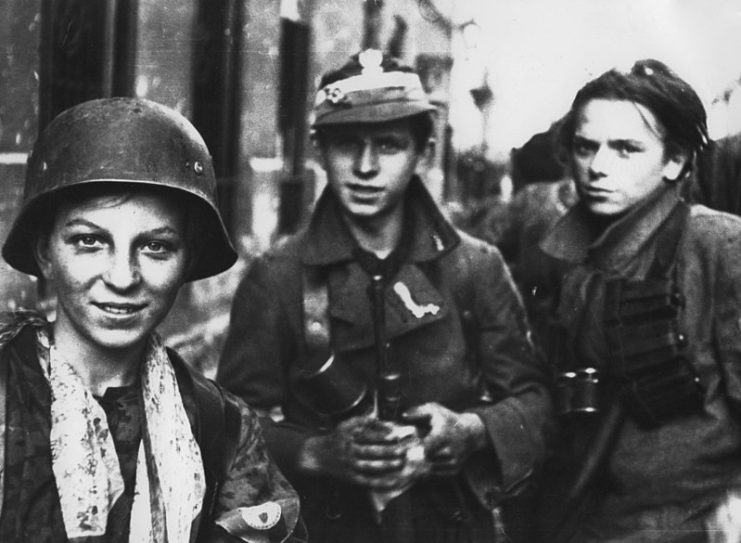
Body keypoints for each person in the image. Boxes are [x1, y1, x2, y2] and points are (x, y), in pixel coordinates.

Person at [216, 49, 555, 543]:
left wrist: (470, 430)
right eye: (347, 144)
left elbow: (536, 403)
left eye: (390, 145)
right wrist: (317, 452)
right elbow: (227, 427)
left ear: (422, 151)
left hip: (448, 525)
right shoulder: (278, 277)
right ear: (318, 150)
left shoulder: (474, 268)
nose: (366, 167)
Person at [0, 97, 305, 542]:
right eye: (89, 241)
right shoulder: (7, 389)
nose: (122, 277)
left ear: (188, 260)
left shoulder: (219, 427)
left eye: (156, 247)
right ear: (46, 253)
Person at [533, 58, 741, 542]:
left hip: (690, 526)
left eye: (626, 149)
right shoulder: (570, 257)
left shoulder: (719, 247)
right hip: (587, 518)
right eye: (586, 148)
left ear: (675, 161)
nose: (598, 167)